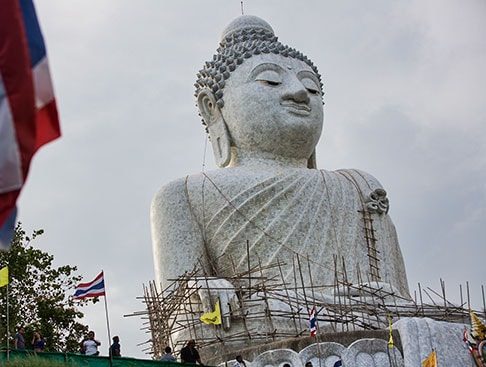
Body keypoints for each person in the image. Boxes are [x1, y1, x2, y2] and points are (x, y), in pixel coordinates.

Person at [151, 14, 410, 359]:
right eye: (271, 81)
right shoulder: (180, 195)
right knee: (204, 329)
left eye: (313, 87)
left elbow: (398, 296)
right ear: (212, 107)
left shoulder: (357, 185)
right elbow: (178, 317)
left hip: (368, 327)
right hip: (257, 329)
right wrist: (202, 286)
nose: (300, 92)